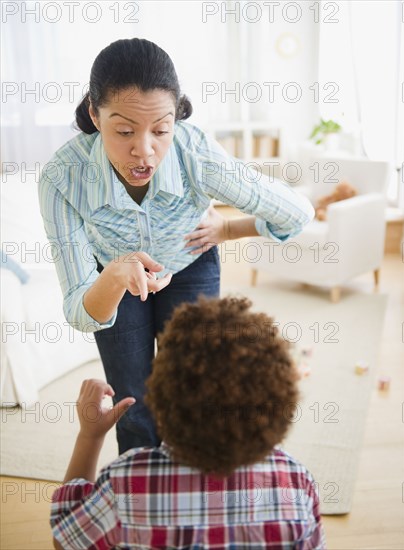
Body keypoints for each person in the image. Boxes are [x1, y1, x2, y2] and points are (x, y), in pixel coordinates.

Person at [39, 38, 315, 455]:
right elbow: (80, 311)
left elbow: (297, 213)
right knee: (133, 402)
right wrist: (114, 275)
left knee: (195, 396)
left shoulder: (196, 152)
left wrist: (230, 229)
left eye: (161, 130)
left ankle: (194, 488)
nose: (144, 150)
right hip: (113, 284)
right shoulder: (63, 178)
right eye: (124, 130)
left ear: (176, 121)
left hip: (190, 267)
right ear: (95, 115)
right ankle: (140, 500)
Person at [50, 296, 326, 549]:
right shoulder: (295, 482)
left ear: (160, 393)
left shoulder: (125, 483)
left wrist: (90, 436)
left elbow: (67, 540)